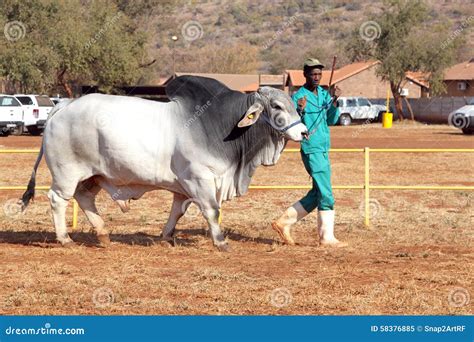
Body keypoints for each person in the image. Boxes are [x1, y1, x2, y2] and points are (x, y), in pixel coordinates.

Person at [272, 58, 348, 247]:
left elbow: (331, 119)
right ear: (305, 75)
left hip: (323, 148)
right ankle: (326, 238)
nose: (316, 77)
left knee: (317, 193)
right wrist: (299, 109)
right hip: (311, 148)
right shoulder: (299, 97)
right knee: (327, 193)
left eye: (319, 74)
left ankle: (283, 223)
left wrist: (335, 100)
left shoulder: (324, 94)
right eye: (313, 74)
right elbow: (291, 122)